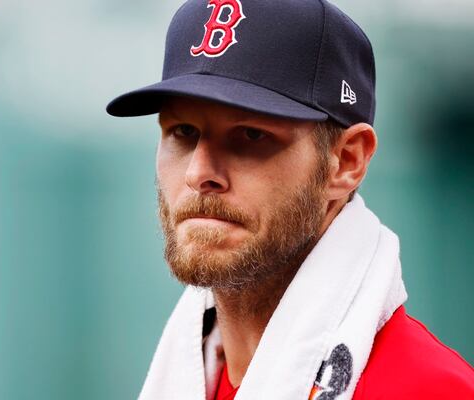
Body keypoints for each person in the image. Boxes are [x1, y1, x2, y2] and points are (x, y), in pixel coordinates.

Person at [106, 0, 474, 399]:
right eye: (183, 131)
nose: (198, 173)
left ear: (346, 162)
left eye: (250, 135)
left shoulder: (429, 389)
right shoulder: (188, 375)